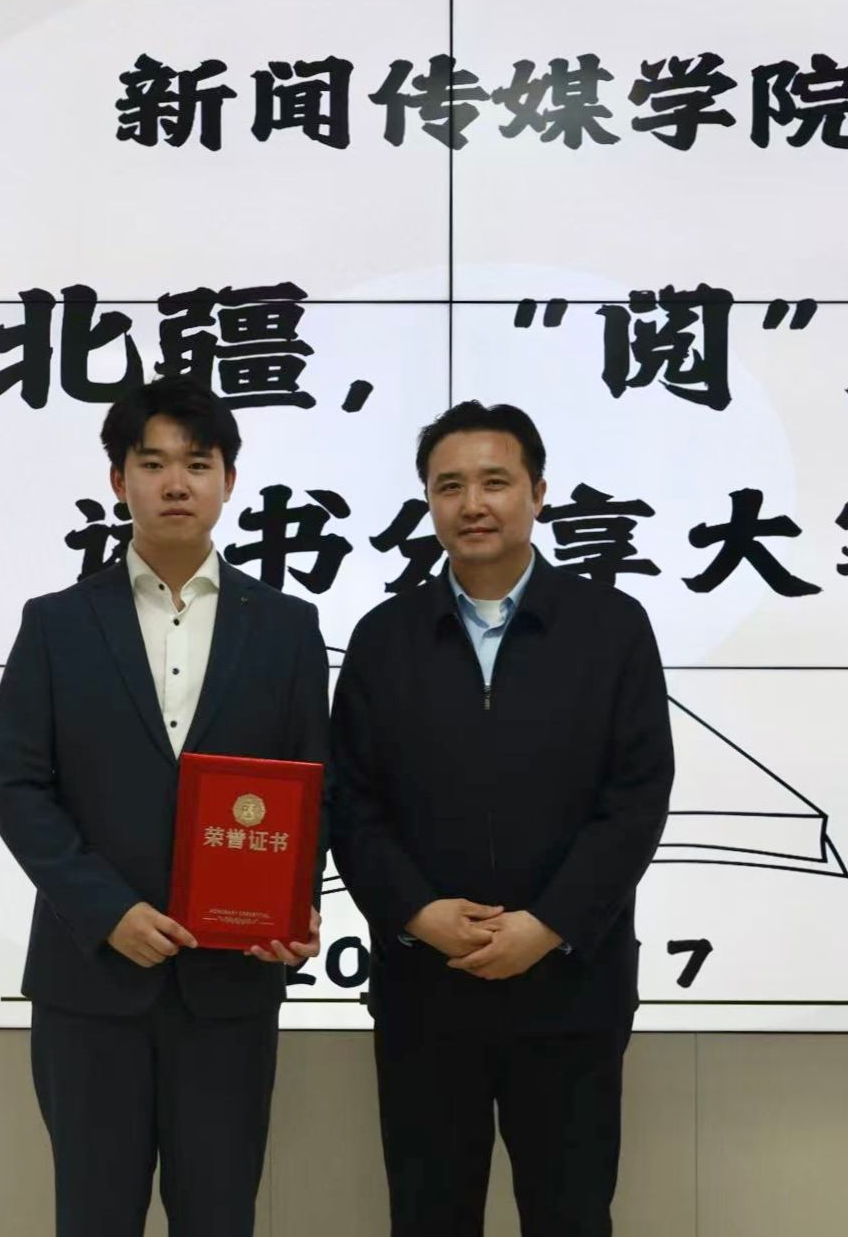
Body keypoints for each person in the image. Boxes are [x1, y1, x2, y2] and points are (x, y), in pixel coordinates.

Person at [0, 376, 326, 1237]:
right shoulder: (57, 624)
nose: (177, 483)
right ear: (119, 479)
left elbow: (313, 786)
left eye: (197, 464)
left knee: (219, 1215)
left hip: (231, 984)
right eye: (153, 463)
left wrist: (294, 904)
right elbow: (16, 786)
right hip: (91, 983)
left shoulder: (287, 628)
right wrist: (108, 911)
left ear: (229, 481)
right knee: (94, 1216)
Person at [329, 400, 675, 1237]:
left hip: (570, 991)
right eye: (449, 486)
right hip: (426, 992)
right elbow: (351, 802)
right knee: (428, 1215)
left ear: (538, 493)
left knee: (570, 1215)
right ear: (428, 501)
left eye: (495, 481)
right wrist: (419, 912)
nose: (472, 503)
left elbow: (636, 797)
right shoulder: (385, 638)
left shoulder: (611, 628)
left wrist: (547, 924)